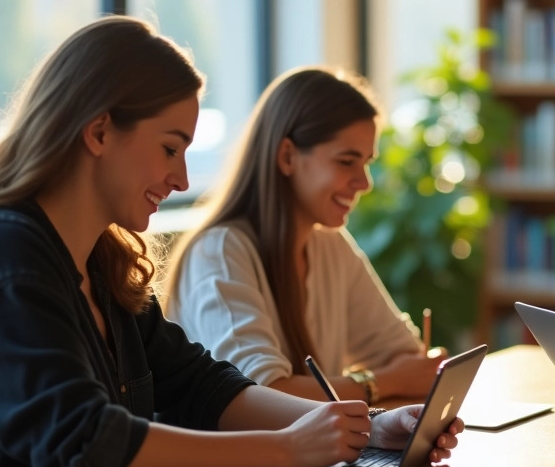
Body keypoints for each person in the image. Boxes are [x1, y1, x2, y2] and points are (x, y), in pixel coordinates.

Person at [0, 17, 462, 467]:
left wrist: (345, 426)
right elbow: (88, 443)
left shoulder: (99, 260)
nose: (181, 177)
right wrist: (287, 447)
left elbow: (200, 385)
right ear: (98, 132)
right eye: (170, 148)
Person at [163, 66, 441, 404]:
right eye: (346, 162)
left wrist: (400, 375)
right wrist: (381, 382)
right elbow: (264, 397)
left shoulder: (329, 244)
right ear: (287, 156)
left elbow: (405, 359)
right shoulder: (221, 253)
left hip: (307, 454)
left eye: (366, 162)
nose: (364, 182)